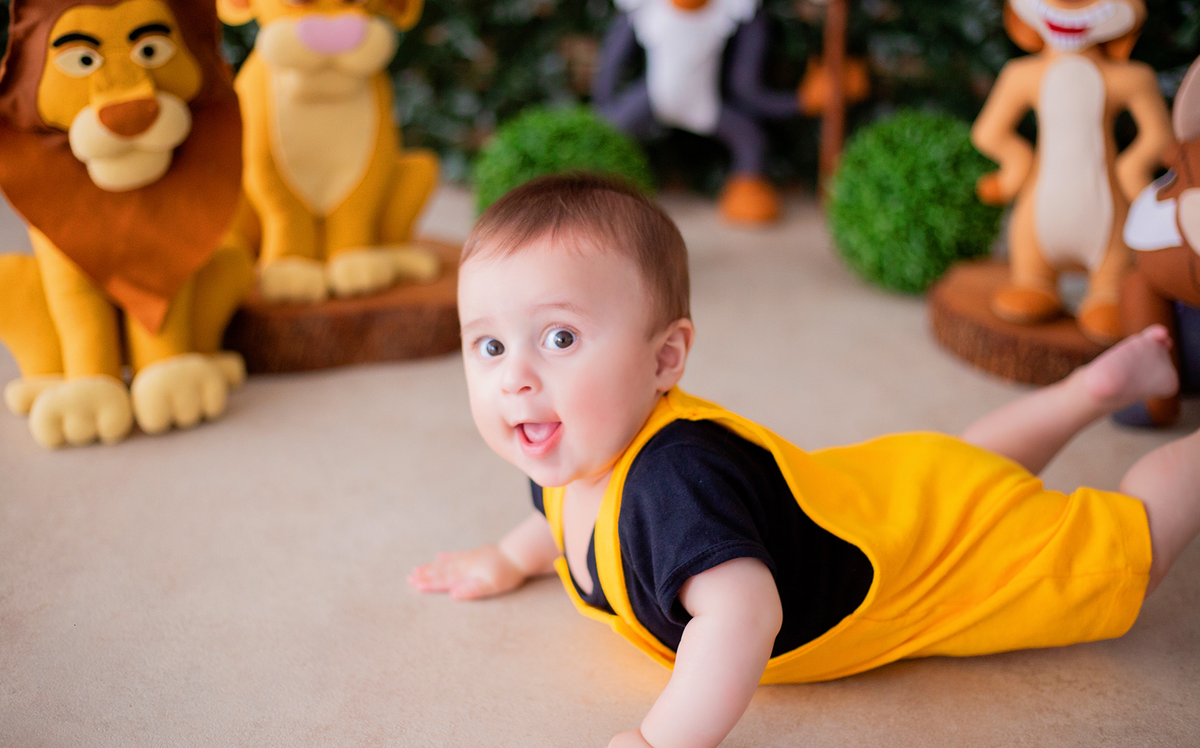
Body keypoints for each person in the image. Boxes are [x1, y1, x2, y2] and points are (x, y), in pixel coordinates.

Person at [409, 174, 1199, 748]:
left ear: (665, 359)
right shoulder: (566, 438)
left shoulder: (672, 481)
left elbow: (745, 615)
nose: (515, 376)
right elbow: (552, 516)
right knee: (963, 469)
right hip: (879, 490)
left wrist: (662, 741)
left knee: (1124, 549)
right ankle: (1089, 390)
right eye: (489, 343)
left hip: (915, 566)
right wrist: (507, 561)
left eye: (559, 338)